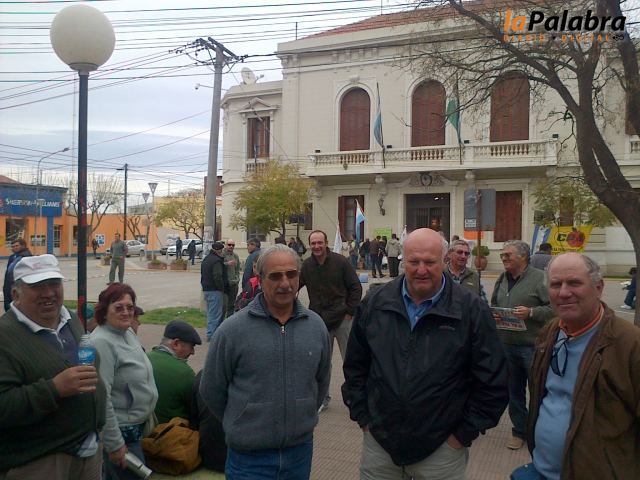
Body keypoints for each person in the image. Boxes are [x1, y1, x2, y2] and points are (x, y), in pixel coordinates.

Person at [342, 228, 508, 479]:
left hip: (442, 450)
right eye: (414, 261)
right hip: (379, 445)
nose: (421, 270)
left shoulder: (471, 309)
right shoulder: (375, 302)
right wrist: (363, 418)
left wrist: (462, 435)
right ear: (402, 261)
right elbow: (355, 365)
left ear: (444, 261)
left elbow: (493, 379)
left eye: (430, 262)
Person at [200, 244, 331, 478]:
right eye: (276, 276)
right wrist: (243, 420)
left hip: (299, 454)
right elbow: (212, 389)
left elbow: (321, 382)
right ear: (259, 280)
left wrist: (301, 416)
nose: (285, 283)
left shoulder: (316, 326)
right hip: (248, 458)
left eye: (291, 274)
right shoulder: (232, 331)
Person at [513, 253, 640, 480]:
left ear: (598, 288)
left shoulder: (630, 344)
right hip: (540, 470)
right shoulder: (550, 331)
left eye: (574, 283)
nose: (563, 292)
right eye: (556, 284)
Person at [0, 254, 106, 478]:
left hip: (89, 450)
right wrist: (54, 389)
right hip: (40, 461)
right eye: (37, 286)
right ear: (15, 295)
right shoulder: (4, 337)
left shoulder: (70, 320)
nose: (48, 293)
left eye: (54, 283)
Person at [91, 283, 158, 480]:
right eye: (118, 307)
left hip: (137, 429)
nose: (126, 312)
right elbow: (101, 398)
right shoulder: (101, 342)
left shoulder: (127, 333)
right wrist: (114, 444)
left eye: (130, 307)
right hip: (121, 434)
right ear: (104, 312)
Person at [491, 240, 554, 450]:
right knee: (513, 392)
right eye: (502, 255)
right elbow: (494, 303)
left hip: (532, 347)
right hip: (506, 345)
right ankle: (519, 431)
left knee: (538, 391)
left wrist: (532, 313)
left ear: (524, 256)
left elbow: (554, 308)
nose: (503, 258)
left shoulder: (540, 278)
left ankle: (540, 433)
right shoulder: (502, 278)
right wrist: (495, 314)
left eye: (508, 255)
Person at [300, 230, 362, 411]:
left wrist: (350, 311)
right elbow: (295, 286)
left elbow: (356, 287)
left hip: (343, 319)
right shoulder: (307, 266)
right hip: (320, 321)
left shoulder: (340, 262)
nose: (317, 246)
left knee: (351, 361)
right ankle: (322, 398)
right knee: (322, 363)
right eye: (313, 243)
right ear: (309, 245)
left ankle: (357, 398)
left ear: (326, 243)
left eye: (320, 242)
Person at [147, 320, 202, 424]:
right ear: (176, 344)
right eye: (191, 346)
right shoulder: (185, 373)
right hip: (170, 431)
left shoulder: (144, 358)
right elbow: (196, 409)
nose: (193, 352)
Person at [191, 371, 227, 472]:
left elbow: (193, 422)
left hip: (207, 457)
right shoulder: (245, 379)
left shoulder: (200, 377)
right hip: (239, 459)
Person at [201, 241, 227, 341]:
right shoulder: (216, 261)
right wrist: (222, 288)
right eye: (221, 250)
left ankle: (211, 333)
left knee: (211, 313)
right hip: (215, 290)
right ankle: (212, 335)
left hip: (206, 289)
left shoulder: (206, 259)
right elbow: (217, 277)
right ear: (219, 250)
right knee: (215, 314)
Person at [3, 237, 32, 311]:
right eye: (13, 246)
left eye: (17, 246)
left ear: (23, 245)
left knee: (17, 307)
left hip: (18, 286)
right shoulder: (13, 257)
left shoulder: (26, 257)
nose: (14, 247)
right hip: (9, 285)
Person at [223, 239, 241, 317]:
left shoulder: (235, 256)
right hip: (225, 284)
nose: (231, 246)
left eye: (233, 245)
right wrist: (227, 263)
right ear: (226, 245)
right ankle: (221, 322)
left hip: (234, 283)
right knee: (223, 305)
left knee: (231, 305)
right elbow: (219, 265)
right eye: (229, 245)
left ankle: (229, 320)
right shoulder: (222, 254)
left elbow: (237, 269)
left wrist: (237, 279)